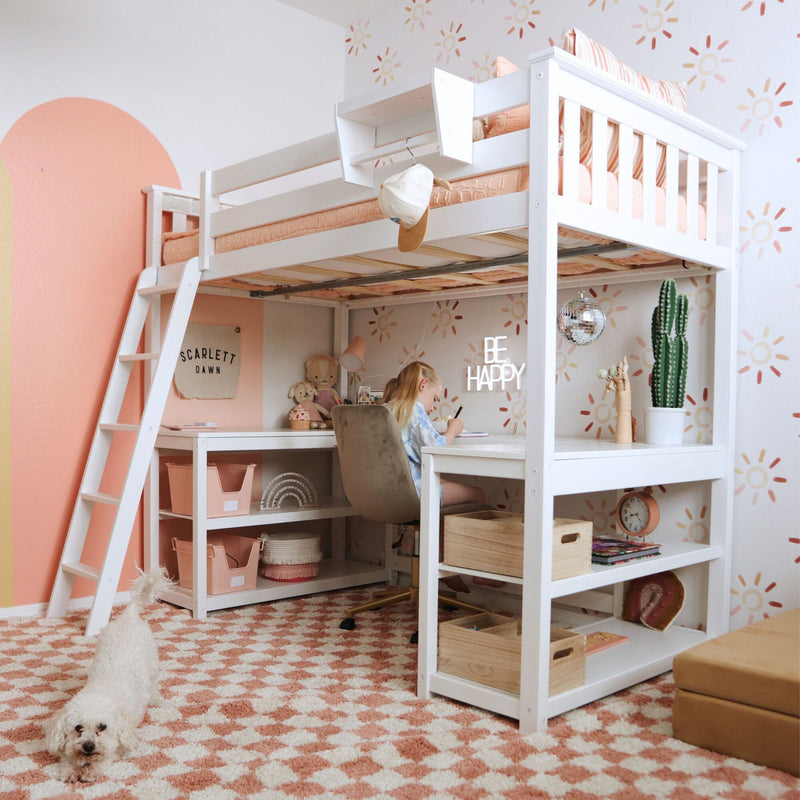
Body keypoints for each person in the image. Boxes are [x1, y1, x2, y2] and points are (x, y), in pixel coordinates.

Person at [386, 361, 485, 507]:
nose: (433, 407)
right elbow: (436, 452)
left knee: (443, 482)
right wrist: (452, 430)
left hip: (385, 490)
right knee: (477, 494)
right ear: (423, 384)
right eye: (434, 399)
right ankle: (444, 530)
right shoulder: (414, 410)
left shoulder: (386, 409)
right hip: (412, 493)